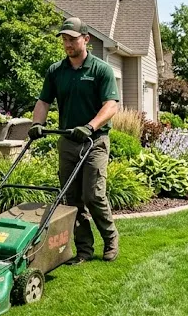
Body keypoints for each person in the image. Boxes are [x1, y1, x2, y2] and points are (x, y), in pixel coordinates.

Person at [28, 17, 121, 264]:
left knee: (93, 194)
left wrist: (90, 126)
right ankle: (84, 250)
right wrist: (37, 124)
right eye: (64, 39)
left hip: (94, 142)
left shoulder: (101, 69)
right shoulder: (56, 71)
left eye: (73, 39)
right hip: (68, 141)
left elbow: (111, 105)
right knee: (71, 199)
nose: (68, 44)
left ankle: (111, 238)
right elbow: (44, 101)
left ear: (86, 40)